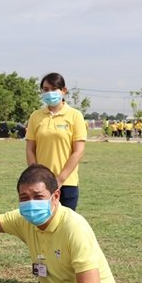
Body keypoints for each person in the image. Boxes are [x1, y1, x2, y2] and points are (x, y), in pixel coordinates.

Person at [25, 72, 87, 211]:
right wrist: (36, 175)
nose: (49, 93)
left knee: (65, 227)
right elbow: (30, 149)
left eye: (54, 89)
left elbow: (78, 151)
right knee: (41, 226)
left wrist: (59, 179)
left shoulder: (75, 116)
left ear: (63, 91)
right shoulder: (36, 116)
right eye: (46, 90)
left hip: (67, 184)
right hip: (41, 184)